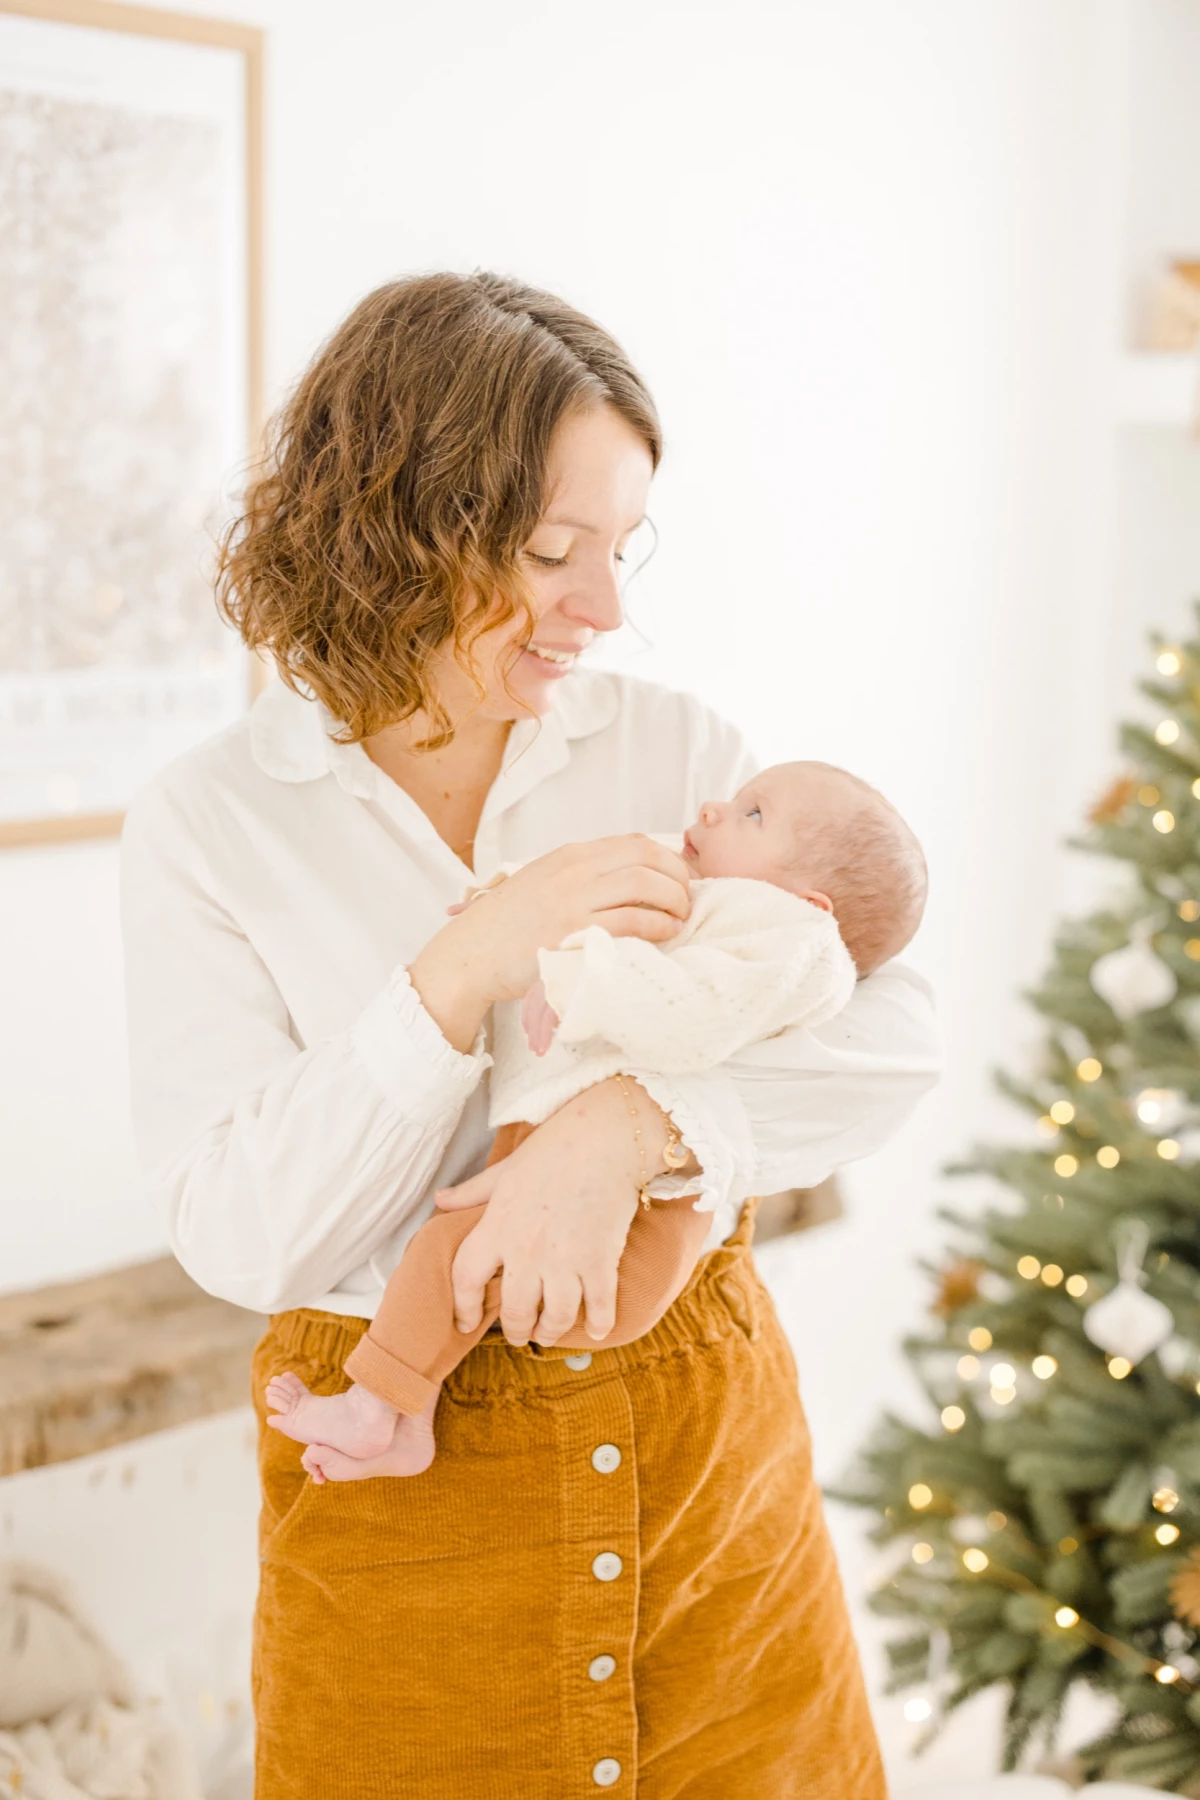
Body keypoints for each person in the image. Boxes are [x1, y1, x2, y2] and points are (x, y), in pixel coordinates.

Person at [120, 271, 940, 1800]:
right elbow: (239, 1233)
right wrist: (463, 967)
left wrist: (618, 1131)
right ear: (394, 527)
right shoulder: (210, 826)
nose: (607, 608)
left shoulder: (677, 752)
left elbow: (896, 1028)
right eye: (555, 552)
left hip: (709, 1473)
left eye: (620, 553)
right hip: (398, 1471)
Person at [263, 759, 928, 1482]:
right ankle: (404, 1421)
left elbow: (692, 1015)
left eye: (752, 815)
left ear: (813, 902)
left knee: (448, 1261)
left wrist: (581, 981)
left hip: (643, 1213)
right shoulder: (705, 892)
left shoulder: (788, 941)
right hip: (549, 1150)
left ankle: (372, 1411)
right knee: (464, 1272)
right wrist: (502, 906)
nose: (712, 809)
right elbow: (572, 897)